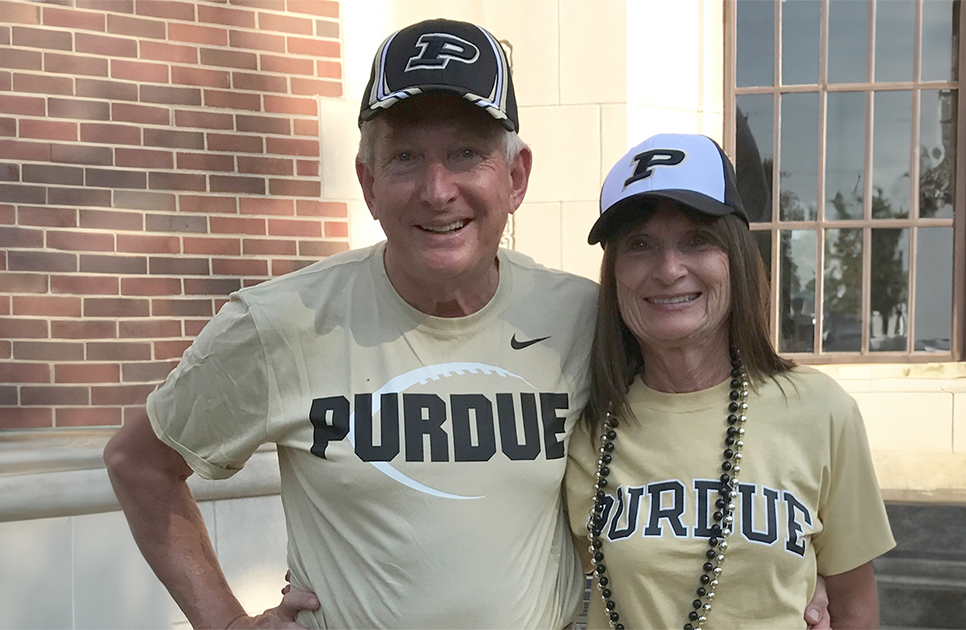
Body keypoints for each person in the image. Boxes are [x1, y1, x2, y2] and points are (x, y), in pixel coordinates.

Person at [105, 17, 835, 630]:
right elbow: (140, 463)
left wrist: (781, 570)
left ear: (515, 178)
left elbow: (691, 428)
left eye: (465, 153)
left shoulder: (586, 317)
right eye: (405, 157)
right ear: (367, 183)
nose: (436, 189)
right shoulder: (279, 322)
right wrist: (227, 622)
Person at [565, 133, 895, 629]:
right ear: (615, 273)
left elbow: (854, 610)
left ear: (735, 259)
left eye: (698, 239)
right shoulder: (581, 421)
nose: (669, 269)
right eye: (640, 245)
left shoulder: (821, 411)